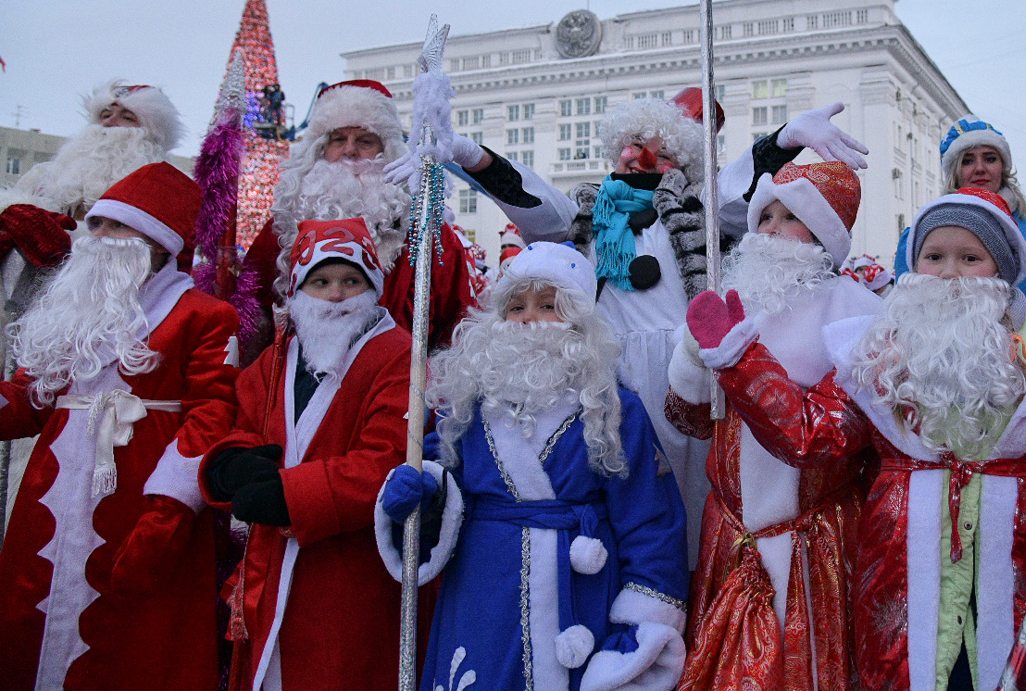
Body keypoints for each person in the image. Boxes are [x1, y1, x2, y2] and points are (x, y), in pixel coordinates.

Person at [692, 188, 1026, 691]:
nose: (947, 273)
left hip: (1020, 572)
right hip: (907, 575)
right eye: (933, 257)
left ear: (1002, 273)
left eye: (970, 258)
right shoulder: (878, 353)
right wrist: (742, 359)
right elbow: (813, 436)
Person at [464, 88, 867, 555]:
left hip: (684, 372)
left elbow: (737, 185)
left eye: (656, 150)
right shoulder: (586, 214)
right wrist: (470, 155)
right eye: (630, 146)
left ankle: (691, 586)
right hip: (608, 374)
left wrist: (786, 139)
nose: (637, 158)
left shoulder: (700, 209)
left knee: (691, 496)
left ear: (681, 163)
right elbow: (526, 195)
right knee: (618, 488)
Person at [377, 241, 690, 691]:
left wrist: (640, 626)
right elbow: (441, 484)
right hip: (483, 593)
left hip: (580, 598)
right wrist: (423, 494)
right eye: (516, 307)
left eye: (548, 306)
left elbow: (650, 522)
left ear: (580, 324)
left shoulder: (616, 409)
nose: (528, 319)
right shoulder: (466, 407)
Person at [0, 162, 239, 691]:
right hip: (52, 495)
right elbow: (25, 400)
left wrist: (169, 511)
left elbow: (212, 414)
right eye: (96, 225)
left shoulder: (204, 315)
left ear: (156, 243)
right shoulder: (72, 308)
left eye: (117, 226)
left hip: (141, 499)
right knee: (31, 614)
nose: (98, 239)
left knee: (135, 642)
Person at [665, 161, 883, 691]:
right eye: (765, 216)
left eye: (791, 218)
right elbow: (692, 423)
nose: (770, 231)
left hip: (813, 543)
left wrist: (739, 357)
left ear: (823, 236)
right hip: (731, 537)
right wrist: (693, 364)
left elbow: (822, 439)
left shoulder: (859, 313)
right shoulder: (734, 297)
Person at [200, 217, 412, 691]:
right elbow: (244, 429)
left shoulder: (399, 356)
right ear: (297, 290)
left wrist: (293, 495)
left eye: (350, 281)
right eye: (320, 282)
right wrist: (229, 467)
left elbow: (391, 459)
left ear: (373, 286)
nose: (335, 295)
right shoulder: (273, 360)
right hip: (270, 567)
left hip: (352, 571)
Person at [244, 79, 483, 352]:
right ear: (319, 148)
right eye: (337, 139)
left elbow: (458, 324)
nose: (349, 150)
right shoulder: (284, 226)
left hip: (396, 383)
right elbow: (250, 313)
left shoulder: (428, 233)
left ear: (388, 151)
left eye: (365, 140)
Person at [1, 81, 183, 312]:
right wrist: (13, 215)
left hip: (117, 307)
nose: (108, 122)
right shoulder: (43, 175)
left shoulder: (166, 190)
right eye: (105, 114)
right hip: (29, 304)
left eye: (127, 118)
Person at [893, 115, 1026, 317]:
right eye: (967, 161)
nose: (979, 168)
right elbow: (903, 317)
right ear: (954, 171)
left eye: (989, 158)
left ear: (1003, 167)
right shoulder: (915, 239)